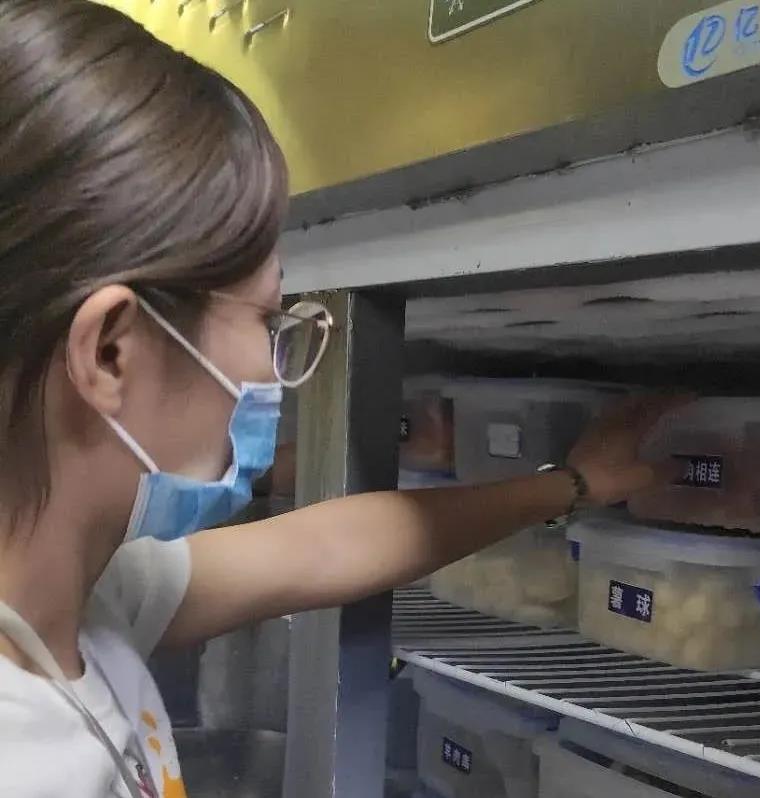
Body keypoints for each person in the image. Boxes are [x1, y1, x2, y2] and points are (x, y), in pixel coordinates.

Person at [0, 2, 681, 796]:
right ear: (111, 352)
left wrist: (573, 485)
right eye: (267, 320)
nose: (275, 367)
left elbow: (325, 548)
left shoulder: (82, 598)